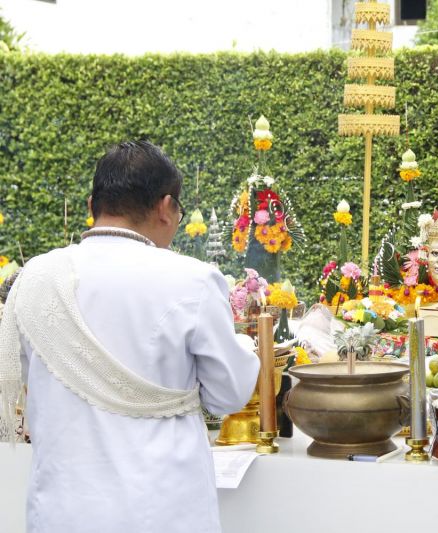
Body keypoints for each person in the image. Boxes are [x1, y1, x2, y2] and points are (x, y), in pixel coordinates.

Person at [0, 140, 260, 533]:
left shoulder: (37, 277)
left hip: (61, 510)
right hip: (160, 511)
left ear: (92, 205)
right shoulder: (192, 280)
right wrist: (245, 346)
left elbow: (29, 380)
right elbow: (228, 395)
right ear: (166, 207)